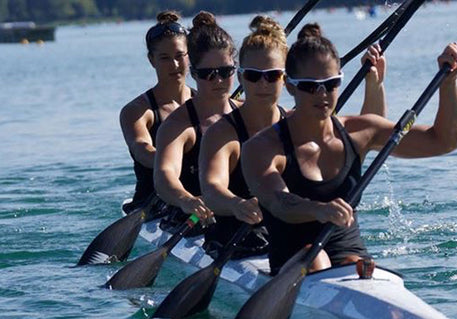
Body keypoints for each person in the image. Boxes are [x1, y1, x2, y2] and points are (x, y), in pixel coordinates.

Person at [241, 23, 457, 275]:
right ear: (290, 86)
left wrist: (448, 83)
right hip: (294, 258)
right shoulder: (261, 147)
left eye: (331, 83)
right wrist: (319, 209)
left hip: (351, 256)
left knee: (351, 263)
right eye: (310, 86)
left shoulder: (361, 131)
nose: (323, 94)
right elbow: (278, 201)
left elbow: (444, 141)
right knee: (316, 261)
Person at [199, 18, 387, 259]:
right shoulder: (222, 133)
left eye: (273, 75)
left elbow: (370, 135)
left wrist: (374, 83)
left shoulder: (301, 122)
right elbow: (212, 188)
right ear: (241, 77)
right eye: (254, 76)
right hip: (236, 241)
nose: (263, 84)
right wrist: (237, 204)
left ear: (286, 80)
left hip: (294, 237)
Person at [154, 11, 240, 229]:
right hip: (196, 222)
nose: (218, 80)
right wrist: (186, 200)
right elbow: (165, 174)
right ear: (193, 73)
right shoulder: (178, 125)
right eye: (208, 74)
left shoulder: (250, 113)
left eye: (225, 71)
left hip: (248, 215)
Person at [120, 10, 193, 214]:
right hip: (155, 205)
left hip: (198, 199)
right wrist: (171, 162)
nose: (175, 65)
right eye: (165, 58)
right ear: (151, 60)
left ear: (190, 56)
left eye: (180, 56)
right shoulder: (136, 111)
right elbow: (142, 150)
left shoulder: (207, 103)